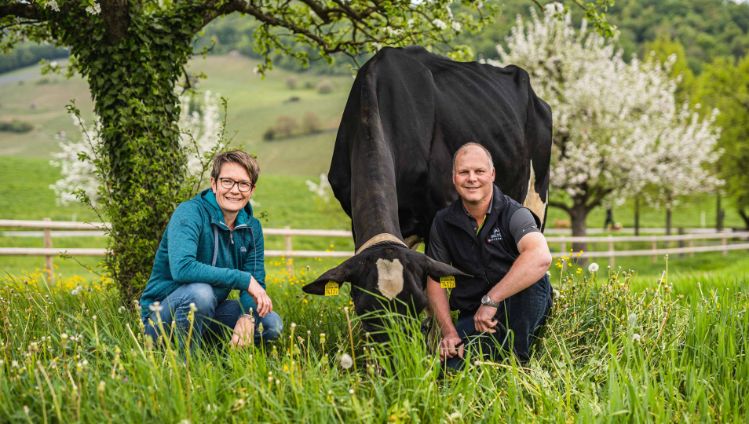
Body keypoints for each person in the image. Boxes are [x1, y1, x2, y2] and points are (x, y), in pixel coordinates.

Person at [426, 142, 552, 368]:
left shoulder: (515, 214)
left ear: (492, 174)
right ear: (454, 177)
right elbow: (437, 280)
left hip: (518, 303)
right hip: (474, 314)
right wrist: (449, 332)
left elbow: (540, 257)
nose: (472, 178)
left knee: (511, 349)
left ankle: (517, 362)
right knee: (450, 369)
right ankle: (490, 353)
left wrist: (492, 299)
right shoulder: (443, 222)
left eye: (479, 171)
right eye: (464, 172)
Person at [139, 150, 282, 348]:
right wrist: (242, 278)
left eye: (243, 184)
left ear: (252, 190)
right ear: (214, 184)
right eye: (227, 181)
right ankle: (186, 366)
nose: (235, 190)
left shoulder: (252, 228)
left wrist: (247, 317)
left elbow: (255, 284)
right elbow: (183, 268)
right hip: (161, 317)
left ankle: (220, 358)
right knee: (201, 294)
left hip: (210, 311)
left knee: (270, 323)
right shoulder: (190, 213)